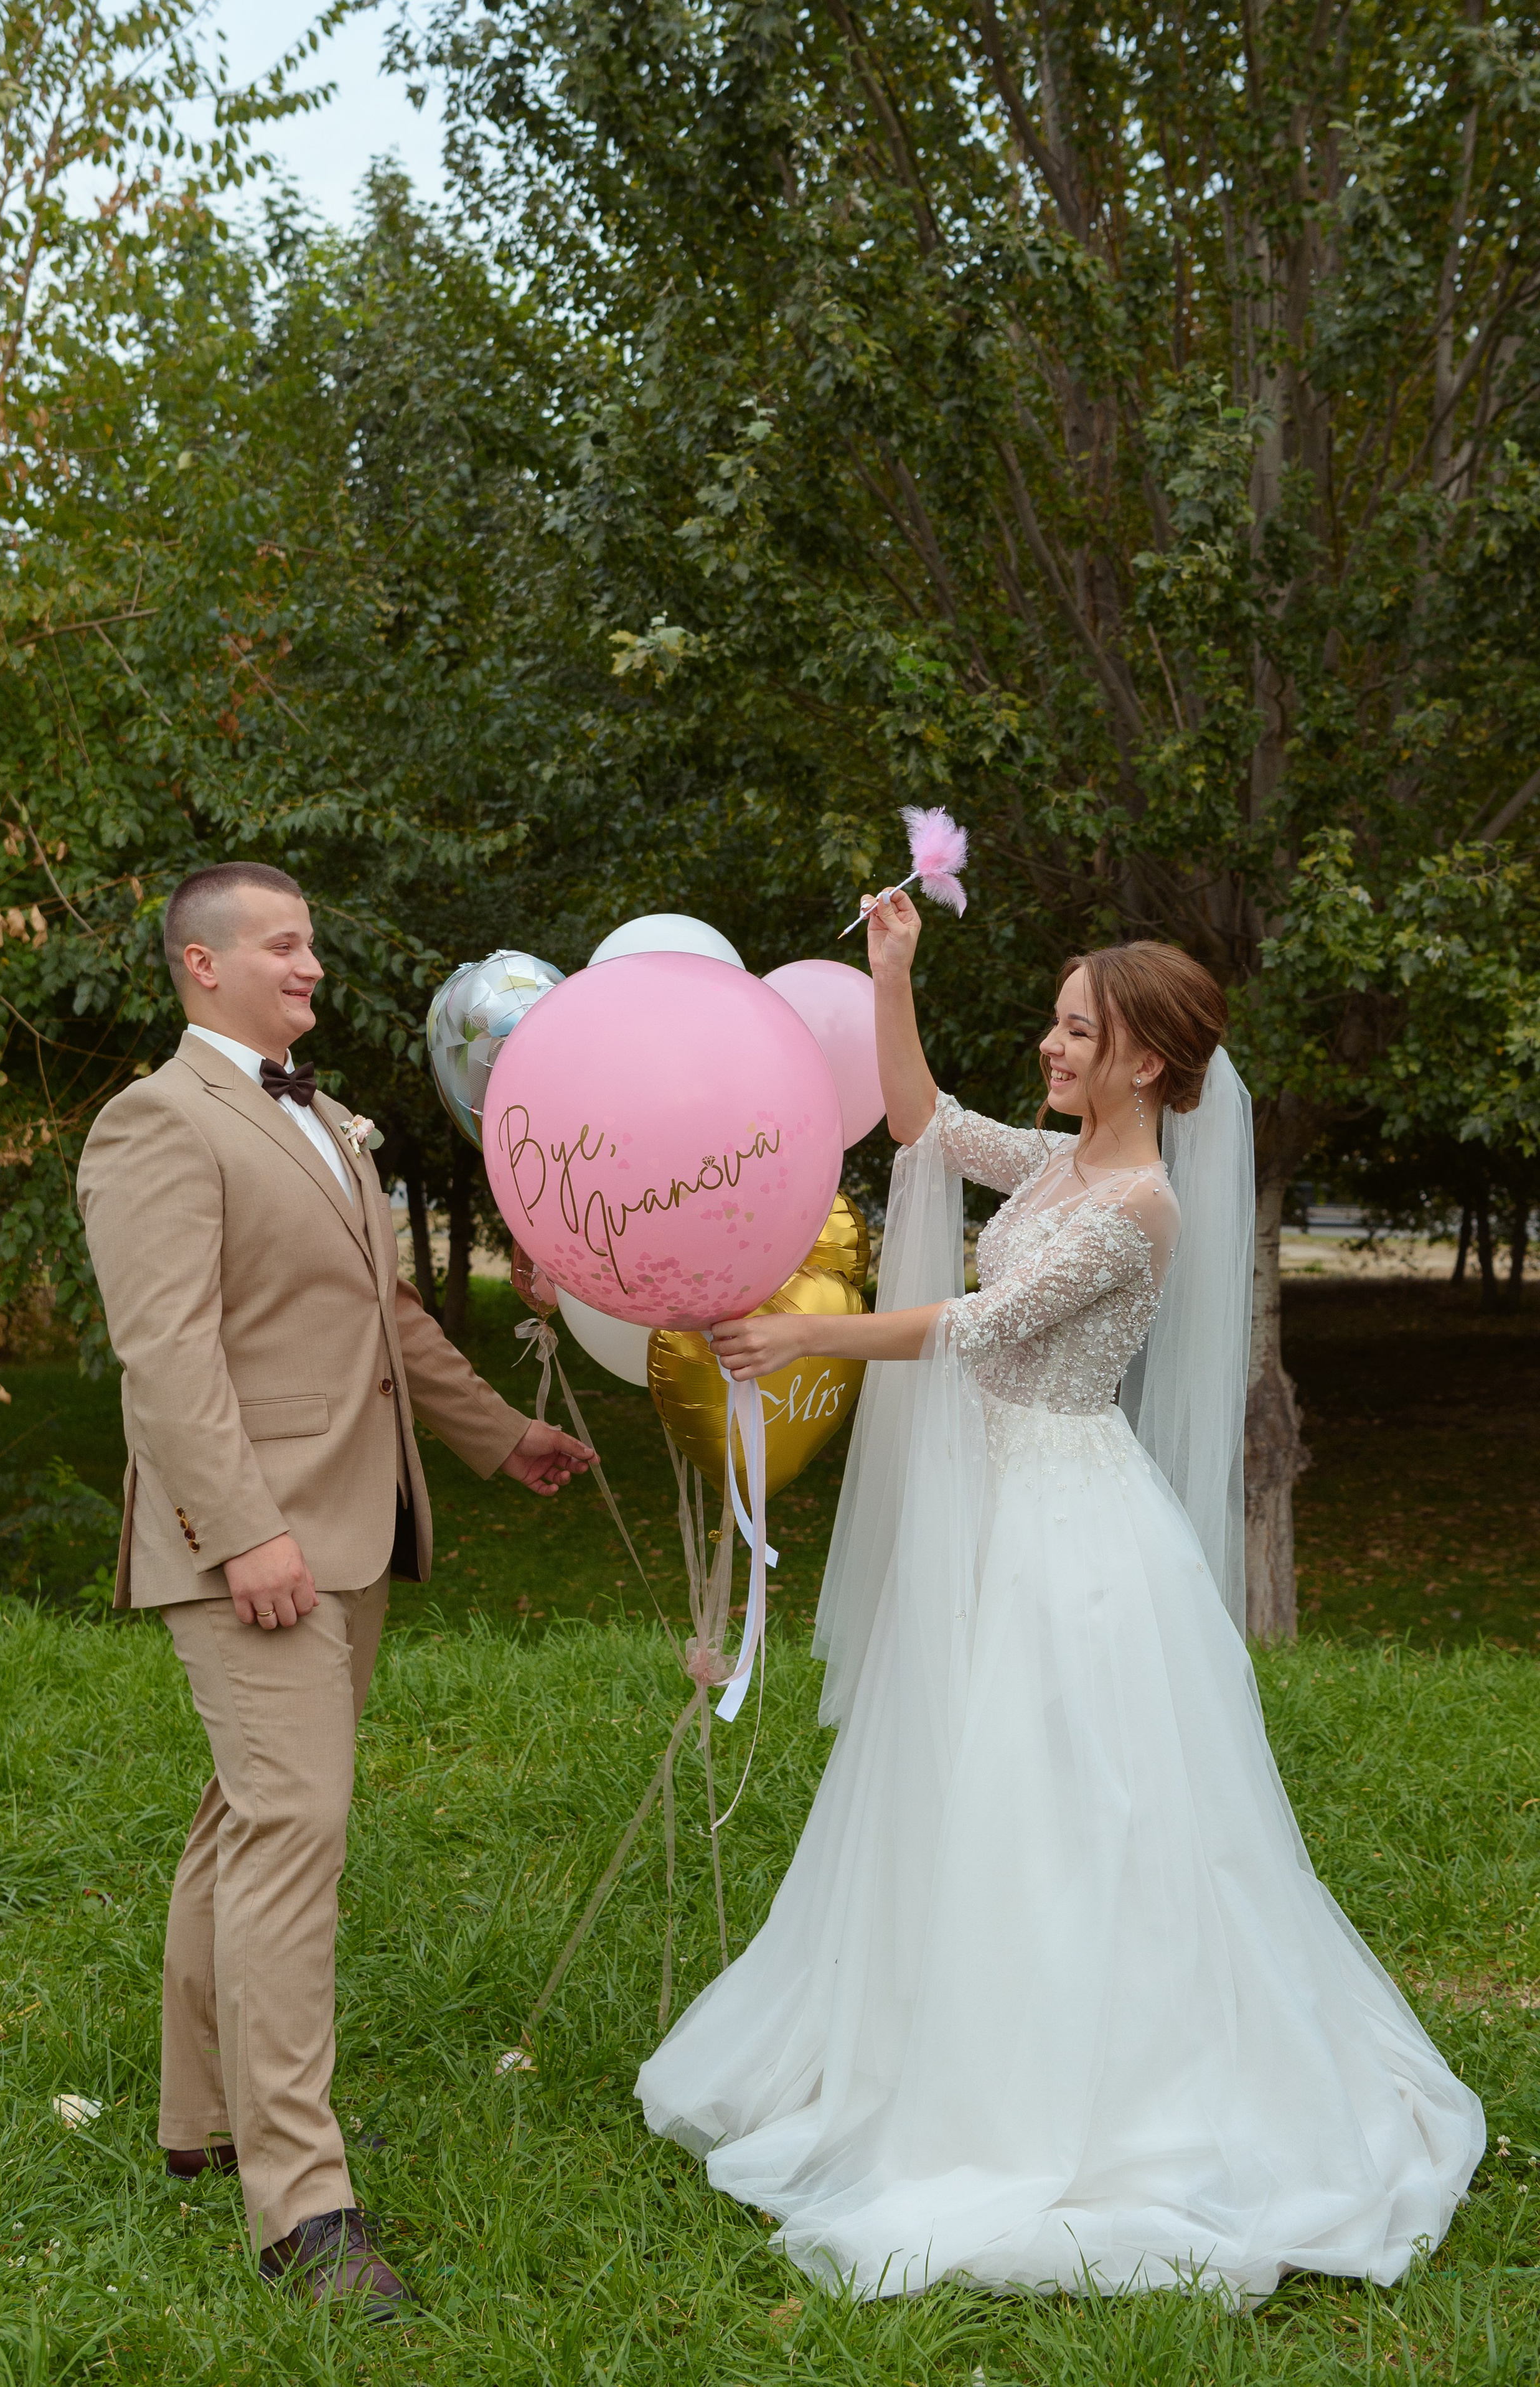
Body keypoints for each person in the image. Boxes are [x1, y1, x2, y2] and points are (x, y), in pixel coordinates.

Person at [636, 891, 1483, 2304]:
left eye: (1075, 1028)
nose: (1050, 1041)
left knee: (1070, 1796)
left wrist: (803, 1329)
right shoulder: (1048, 1168)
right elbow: (919, 1122)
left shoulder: (1138, 1206)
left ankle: (1089, 2084)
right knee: (966, 1782)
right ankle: (937, 2037)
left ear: (1145, 1060)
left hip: (1070, 1530)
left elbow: (977, 1327)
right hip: (1000, 1515)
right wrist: (891, 972)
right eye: (1054, 1019)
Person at [77, 861, 594, 2318]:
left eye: (311, 941)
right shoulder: (158, 1123)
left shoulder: (321, 1119)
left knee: (251, 1812)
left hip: (349, 1529)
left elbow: (392, 1320)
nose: (312, 966)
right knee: (296, 1827)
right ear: (202, 965)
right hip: (257, 1543)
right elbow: (166, 1357)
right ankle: (302, 2211)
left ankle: (204, 2115)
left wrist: (502, 1437)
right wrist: (244, 1531)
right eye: (286, 944)